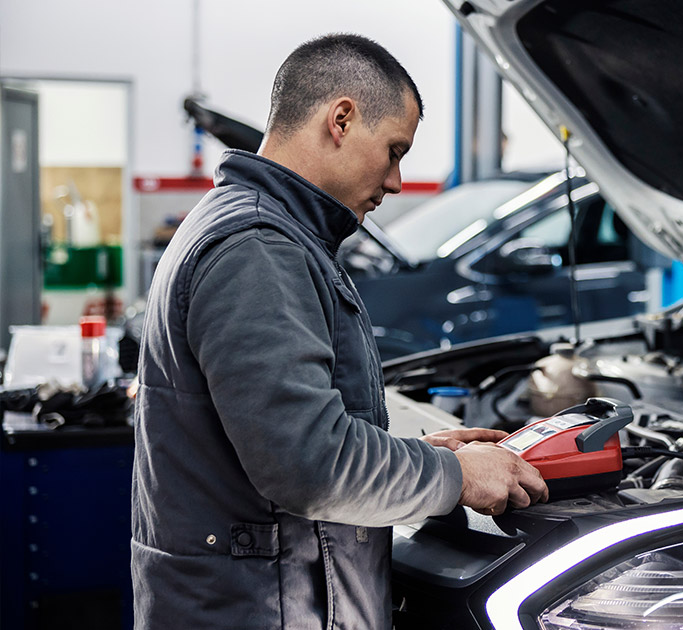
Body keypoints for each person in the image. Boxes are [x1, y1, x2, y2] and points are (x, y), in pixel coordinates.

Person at [130, 33, 548, 629]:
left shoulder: (268, 231)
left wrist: (415, 456)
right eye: (394, 150)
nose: (398, 180)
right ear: (343, 120)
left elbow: (284, 434)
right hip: (258, 609)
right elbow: (307, 464)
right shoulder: (257, 249)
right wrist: (456, 477)